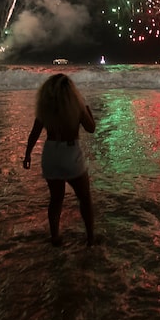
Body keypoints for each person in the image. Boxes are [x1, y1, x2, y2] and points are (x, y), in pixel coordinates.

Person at [23, 74, 96, 246]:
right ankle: (91, 239)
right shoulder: (77, 106)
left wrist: (27, 155)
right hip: (70, 154)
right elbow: (91, 128)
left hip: (50, 154)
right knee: (84, 198)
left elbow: (34, 133)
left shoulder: (45, 108)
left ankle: (55, 237)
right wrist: (87, 109)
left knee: (56, 198)